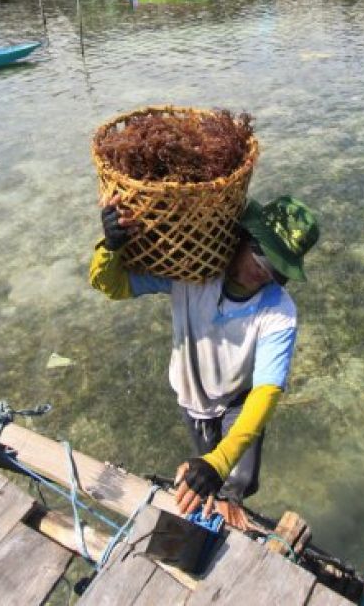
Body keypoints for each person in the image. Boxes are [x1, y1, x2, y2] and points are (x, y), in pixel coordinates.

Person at [89, 194, 320, 528]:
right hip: (192, 398)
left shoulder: (280, 312)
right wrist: (109, 246)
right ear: (244, 237)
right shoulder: (193, 273)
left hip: (239, 399)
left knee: (240, 480)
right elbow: (112, 285)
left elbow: (267, 390)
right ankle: (210, 490)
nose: (264, 270)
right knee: (205, 464)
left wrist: (220, 462)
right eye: (260, 254)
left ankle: (230, 502)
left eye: (276, 267)